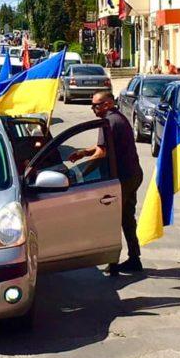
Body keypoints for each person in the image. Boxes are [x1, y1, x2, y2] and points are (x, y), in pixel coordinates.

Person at [72, 90, 144, 276]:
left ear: (107, 104)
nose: (92, 108)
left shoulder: (108, 122)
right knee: (126, 218)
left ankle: (113, 262)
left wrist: (80, 174)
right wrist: (83, 153)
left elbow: (101, 153)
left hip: (123, 178)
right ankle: (134, 259)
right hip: (132, 175)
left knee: (112, 219)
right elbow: (102, 148)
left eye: (96, 105)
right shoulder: (116, 118)